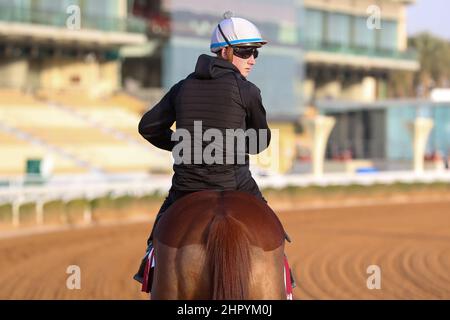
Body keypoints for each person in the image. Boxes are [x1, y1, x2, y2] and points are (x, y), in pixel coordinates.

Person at [134, 13, 294, 290]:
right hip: (237, 183)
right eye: (245, 51)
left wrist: (182, 144)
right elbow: (261, 140)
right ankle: (285, 280)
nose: (252, 59)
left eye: (255, 52)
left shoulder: (181, 88)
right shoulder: (248, 91)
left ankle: (148, 268)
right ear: (224, 51)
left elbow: (148, 127)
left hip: (187, 187)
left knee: (158, 234)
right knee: (275, 233)